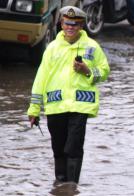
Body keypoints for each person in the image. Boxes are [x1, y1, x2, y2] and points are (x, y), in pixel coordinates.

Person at [27, 6, 110, 184]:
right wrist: (34, 109)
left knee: (73, 147)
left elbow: (104, 72)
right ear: (61, 24)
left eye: (76, 24)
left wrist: (88, 71)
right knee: (58, 148)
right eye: (67, 23)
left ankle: (71, 188)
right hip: (55, 106)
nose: (71, 27)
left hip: (80, 105)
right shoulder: (52, 48)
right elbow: (40, 79)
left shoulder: (92, 47)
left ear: (82, 26)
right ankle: (60, 185)